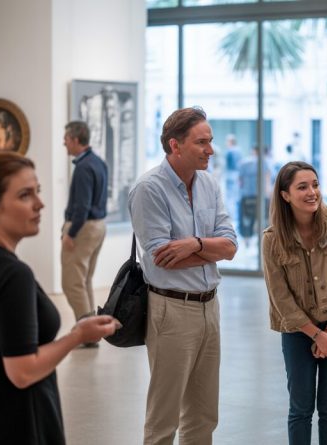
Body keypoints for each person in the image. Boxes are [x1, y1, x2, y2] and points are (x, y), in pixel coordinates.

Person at [0, 152, 118, 445]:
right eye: (25, 195)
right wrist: (78, 335)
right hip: (9, 426)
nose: (39, 204)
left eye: (38, 191)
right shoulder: (12, 275)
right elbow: (22, 372)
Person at [128, 107, 238, 445]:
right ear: (175, 146)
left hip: (210, 309)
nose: (211, 149)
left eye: (211, 141)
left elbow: (231, 245)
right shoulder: (150, 189)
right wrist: (211, 250)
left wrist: (194, 243)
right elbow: (163, 260)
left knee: (204, 416)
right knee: (164, 420)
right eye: (202, 142)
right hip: (171, 312)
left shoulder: (208, 183)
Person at [262, 161, 327, 445]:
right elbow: (280, 298)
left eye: (315, 185)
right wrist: (316, 334)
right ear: (285, 195)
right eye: (302, 187)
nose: (312, 192)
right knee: (300, 409)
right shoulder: (272, 240)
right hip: (298, 332)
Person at [61, 121, 108, 346]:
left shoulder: (82, 168)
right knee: (85, 279)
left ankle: (87, 333)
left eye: (66, 139)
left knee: (72, 282)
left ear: (76, 140)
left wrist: (71, 233)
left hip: (83, 228)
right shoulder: (98, 162)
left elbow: (82, 206)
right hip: (99, 226)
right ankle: (91, 330)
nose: (64, 142)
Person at [237, 145, 271, 247]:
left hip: (246, 195)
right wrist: (268, 194)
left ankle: (247, 241)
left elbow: (240, 181)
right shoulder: (264, 162)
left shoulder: (243, 163)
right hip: (260, 196)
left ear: (253, 151)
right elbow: (267, 179)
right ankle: (260, 242)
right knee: (261, 218)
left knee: (246, 219)